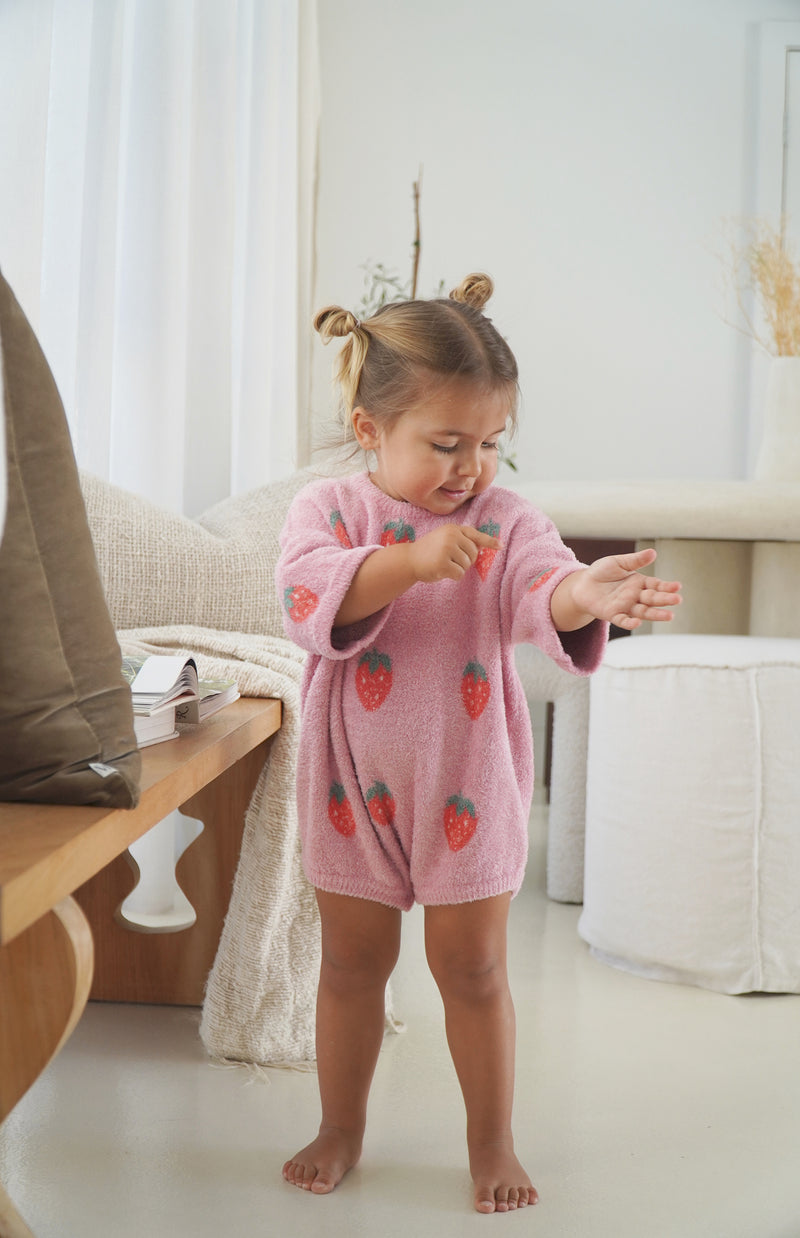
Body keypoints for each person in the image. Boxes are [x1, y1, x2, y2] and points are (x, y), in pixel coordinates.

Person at [275, 273, 681, 1214]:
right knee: (350, 967)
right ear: (371, 428)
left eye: (491, 444)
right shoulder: (327, 510)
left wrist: (592, 594)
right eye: (446, 445)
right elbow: (307, 597)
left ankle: (491, 1143)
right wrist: (410, 560)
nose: (470, 469)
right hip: (350, 785)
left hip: (469, 780)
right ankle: (341, 1125)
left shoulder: (505, 521)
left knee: (474, 969)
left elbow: (546, 588)